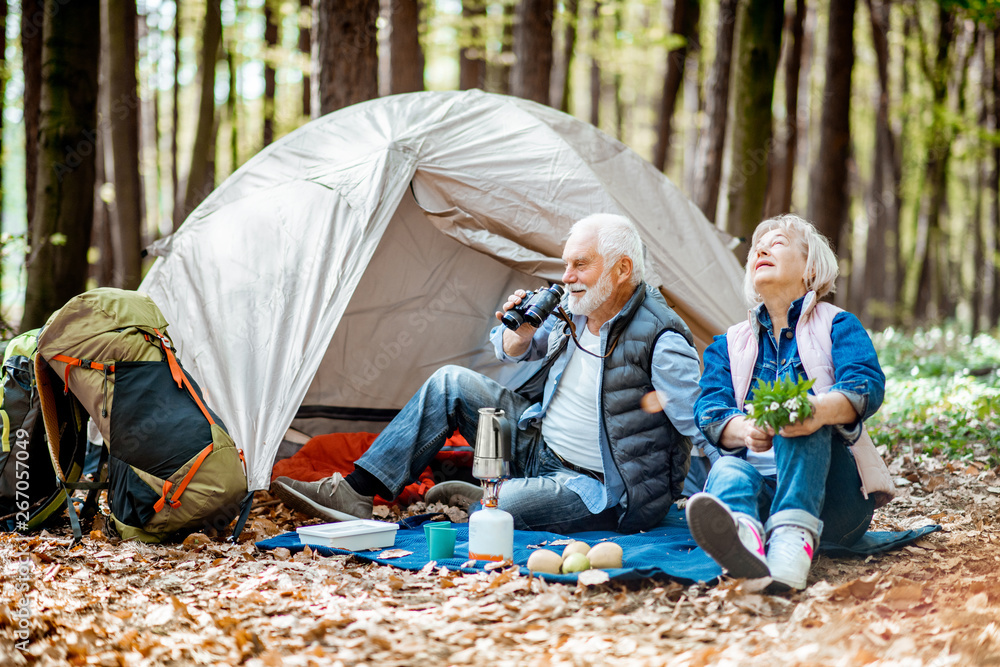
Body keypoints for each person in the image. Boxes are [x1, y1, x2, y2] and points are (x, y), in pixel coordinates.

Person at [272, 213, 710, 534]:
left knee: (503, 512)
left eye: (580, 264)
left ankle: (488, 493)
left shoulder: (662, 338)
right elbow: (507, 350)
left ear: (621, 270)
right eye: (565, 264)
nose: (567, 276)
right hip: (539, 444)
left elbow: (698, 419)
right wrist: (517, 334)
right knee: (451, 382)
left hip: (598, 486)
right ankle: (356, 489)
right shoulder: (577, 308)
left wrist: (725, 492)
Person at [686, 213, 895, 591]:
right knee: (726, 473)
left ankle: (790, 548)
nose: (762, 248)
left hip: (835, 502)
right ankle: (745, 543)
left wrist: (817, 411)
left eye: (777, 242)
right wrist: (747, 430)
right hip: (761, 492)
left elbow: (866, 385)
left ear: (810, 267)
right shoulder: (726, 345)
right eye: (756, 248)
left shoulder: (838, 325)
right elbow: (710, 412)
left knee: (801, 417)